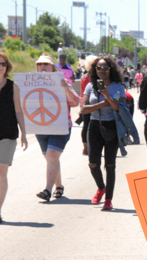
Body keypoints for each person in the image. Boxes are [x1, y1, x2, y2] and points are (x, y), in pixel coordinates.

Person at [80, 55, 127, 211]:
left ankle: (108, 199)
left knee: (110, 164)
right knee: (93, 163)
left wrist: (107, 95)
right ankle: (101, 187)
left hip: (112, 126)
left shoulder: (118, 87)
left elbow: (120, 108)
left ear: (110, 69)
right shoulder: (90, 87)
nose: (102, 70)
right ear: (95, 70)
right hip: (94, 126)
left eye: (105, 68)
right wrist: (102, 103)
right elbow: (83, 109)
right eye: (98, 68)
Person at [34, 54, 80, 202]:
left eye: (46, 64)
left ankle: (47, 190)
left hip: (60, 126)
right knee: (50, 158)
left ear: (52, 67)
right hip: (41, 126)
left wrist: (65, 88)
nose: (42, 67)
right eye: (39, 64)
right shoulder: (31, 82)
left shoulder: (63, 81)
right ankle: (58, 185)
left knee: (52, 155)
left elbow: (75, 102)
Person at [0, 52, 28, 223]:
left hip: (7, 134)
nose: (0, 67)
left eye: (3, 64)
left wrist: (24, 133)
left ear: (7, 67)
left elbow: (18, 111)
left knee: (1, 171)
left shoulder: (13, 87)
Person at [80, 55, 97, 155]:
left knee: (85, 126)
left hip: (84, 104)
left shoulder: (83, 78)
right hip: (93, 103)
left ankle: (85, 148)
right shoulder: (94, 78)